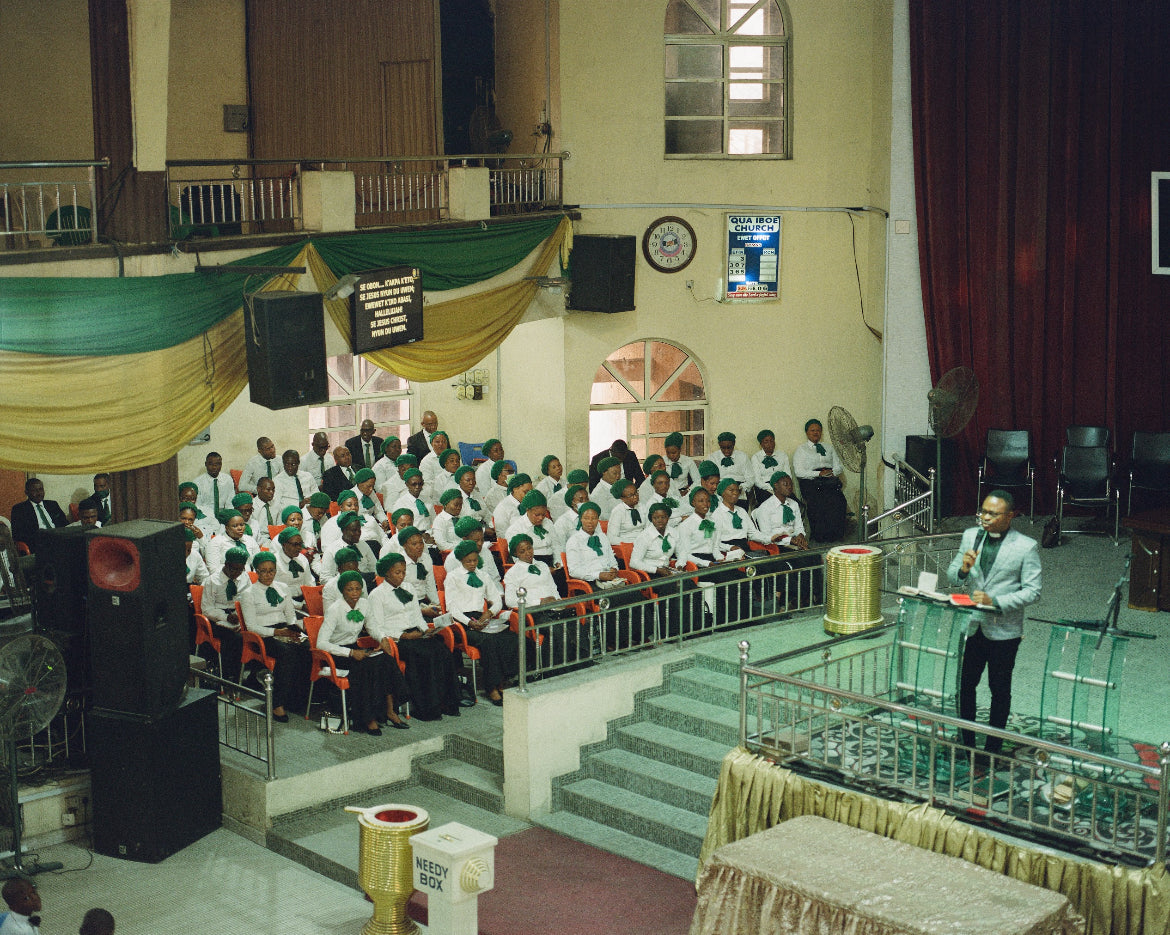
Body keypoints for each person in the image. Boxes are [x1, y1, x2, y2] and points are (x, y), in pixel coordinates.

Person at [947, 490, 1041, 756]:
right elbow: (953, 574)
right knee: (965, 686)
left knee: (999, 690)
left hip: (1004, 630)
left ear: (1010, 516)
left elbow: (1033, 591)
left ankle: (993, 748)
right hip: (972, 625)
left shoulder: (1026, 546)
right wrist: (963, 569)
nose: (985, 518)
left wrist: (995, 600)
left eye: (993, 514)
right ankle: (966, 744)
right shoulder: (970, 536)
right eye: (983, 512)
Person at [368, 552, 461, 721]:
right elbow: (377, 626)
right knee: (424, 656)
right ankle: (428, 707)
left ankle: (447, 702)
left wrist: (426, 630)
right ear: (387, 573)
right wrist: (404, 635)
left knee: (443, 651)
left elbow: (417, 615)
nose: (402, 576)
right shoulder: (377, 595)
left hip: (415, 632)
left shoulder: (408, 588)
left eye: (404, 572)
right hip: (398, 638)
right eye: (398, 572)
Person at [317, 570, 409, 734]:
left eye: (357, 589)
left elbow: (372, 627)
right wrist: (350, 653)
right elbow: (321, 643)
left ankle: (390, 711)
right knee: (366, 669)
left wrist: (382, 639)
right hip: (337, 654)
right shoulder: (335, 610)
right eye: (349, 589)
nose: (354, 593)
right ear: (342, 591)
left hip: (354, 647)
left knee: (386, 660)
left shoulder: (364, 604)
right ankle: (368, 718)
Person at [237, 552, 312, 722]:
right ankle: (276, 702)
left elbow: (291, 616)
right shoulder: (249, 593)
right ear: (256, 571)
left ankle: (296, 699)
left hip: (284, 629)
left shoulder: (283, 588)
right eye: (263, 571)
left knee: (308, 649)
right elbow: (251, 626)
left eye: (271, 570)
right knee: (287, 654)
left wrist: (294, 629)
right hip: (263, 635)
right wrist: (277, 633)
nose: (268, 575)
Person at [445, 539, 515, 706]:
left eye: (475, 560)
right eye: (468, 561)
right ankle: (492, 686)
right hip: (462, 621)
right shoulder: (453, 577)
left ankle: (503, 680)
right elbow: (452, 608)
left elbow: (496, 600)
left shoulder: (483, 575)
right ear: (461, 560)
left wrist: (489, 613)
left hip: (481, 617)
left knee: (509, 637)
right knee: (488, 641)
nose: (472, 564)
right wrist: (470, 622)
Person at [793, 417, 847, 542]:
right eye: (812, 430)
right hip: (811, 481)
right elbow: (799, 472)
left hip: (830, 479)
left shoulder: (829, 447)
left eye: (818, 430)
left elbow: (839, 466)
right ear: (807, 432)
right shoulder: (801, 450)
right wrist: (818, 474)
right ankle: (820, 536)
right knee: (818, 503)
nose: (816, 432)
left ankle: (836, 535)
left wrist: (832, 472)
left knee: (840, 501)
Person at [10, 478, 68, 552]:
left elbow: (65, 524)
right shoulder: (19, 509)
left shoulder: (52, 505)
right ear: (26, 492)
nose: (39, 493)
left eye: (41, 489)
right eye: (34, 490)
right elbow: (18, 535)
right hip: (38, 545)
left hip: (59, 540)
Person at [706, 432, 750, 506]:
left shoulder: (743, 456)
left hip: (738, 489)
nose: (726, 451)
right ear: (719, 445)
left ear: (734, 444)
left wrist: (741, 487)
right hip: (720, 490)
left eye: (729, 447)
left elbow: (750, 478)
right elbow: (710, 479)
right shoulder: (713, 458)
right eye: (723, 448)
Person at [750, 430, 791, 508]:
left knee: (795, 504)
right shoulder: (756, 457)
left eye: (772, 441)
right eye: (766, 441)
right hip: (765, 488)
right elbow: (757, 480)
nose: (770, 444)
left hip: (783, 486)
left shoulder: (782, 455)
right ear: (761, 444)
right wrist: (773, 488)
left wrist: (782, 486)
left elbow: (788, 475)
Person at [193, 451, 230, 518]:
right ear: (206, 464)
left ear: (221, 464)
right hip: (205, 516)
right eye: (210, 464)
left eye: (217, 464)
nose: (214, 467)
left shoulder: (228, 479)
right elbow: (198, 506)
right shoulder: (197, 482)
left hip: (224, 515)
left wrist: (228, 516)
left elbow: (230, 502)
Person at [663, 432, 700, 499]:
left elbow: (697, 480)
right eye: (668, 453)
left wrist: (688, 490)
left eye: (674, 453)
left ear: (680, 450)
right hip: (667, 494)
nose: (671, 455)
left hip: (683, 493)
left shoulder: (688, 461)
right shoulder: (662, 461)